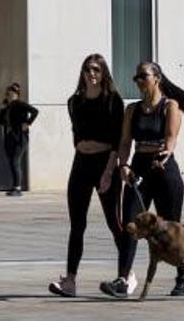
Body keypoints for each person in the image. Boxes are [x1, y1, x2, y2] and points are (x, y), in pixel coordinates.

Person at [100, 60, 184, 299]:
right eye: (136, 77)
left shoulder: (170, 106)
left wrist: (166, 153)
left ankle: (182, 279)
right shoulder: (132, 110)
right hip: (138, 168)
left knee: (172, 229)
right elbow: (124, 142)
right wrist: (124, 165)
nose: (139, 81)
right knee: (130, 225)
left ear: (157, 78)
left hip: (163, 170)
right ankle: (123, 279)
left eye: (143, 76)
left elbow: (171, 138)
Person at [47, 54, 127, 298]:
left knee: (115, 223)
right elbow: (76, 136)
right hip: (81, 163)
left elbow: (117, 140)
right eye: (87, 69)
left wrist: (109, 172)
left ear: (104, 73)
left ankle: (125, 275)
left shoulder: (113, 101)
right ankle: (70, 281)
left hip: (105, 163)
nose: (91, 74)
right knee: (77, 225)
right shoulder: (75, 102)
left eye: (96, 70)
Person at [0, 82, 38, 197]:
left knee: (15, 160)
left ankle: (18, 188)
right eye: (8, 94)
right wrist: (2, 109)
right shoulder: (7, 107)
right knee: (11, 161)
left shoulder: (20, 104)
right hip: (9, 136)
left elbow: (35, 111)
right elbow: (1, 122)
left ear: (16, 95)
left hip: (20, 137)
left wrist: (28, 123)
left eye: (12, 94)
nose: (9, 96)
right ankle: (15, 186)